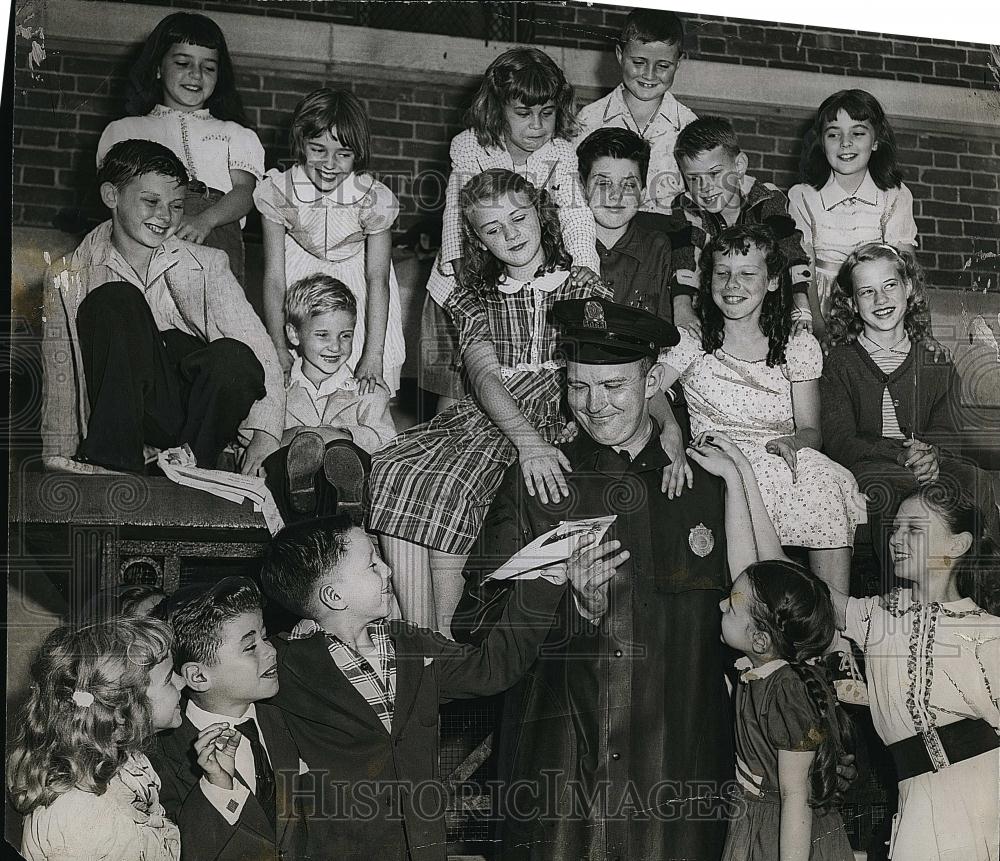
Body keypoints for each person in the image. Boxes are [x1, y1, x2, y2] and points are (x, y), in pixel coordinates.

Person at [453, 297, 734, 861]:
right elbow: (473, 627)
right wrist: (561, 595)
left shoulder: (705, 486)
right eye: (578, 386)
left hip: (675, 791)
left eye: (613, 387)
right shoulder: (534, 487)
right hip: (560, 789)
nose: (593, 405)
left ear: (652, 381)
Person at [257, 515, 614, 861]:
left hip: (423, 846)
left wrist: (546, 579)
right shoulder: (284, 666)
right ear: (334, 596)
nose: (388, 570)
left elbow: (492, 670)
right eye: (372, 564)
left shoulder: (413, 645)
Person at [367, 169, 612, 633]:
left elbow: (599, 366)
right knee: (392, 466)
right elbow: (481, 375)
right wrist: (527, 442)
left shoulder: (579, 285)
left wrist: (536, 441)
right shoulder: (475, 296)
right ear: (478, 241)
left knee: (452, 485)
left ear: (542, 214)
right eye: (493, 229)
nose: (510, 235)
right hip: (488, 410)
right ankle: (420, 638)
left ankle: (435, 636)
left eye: (519, 219)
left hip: (546, 408)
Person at [41, 139, 284, 476]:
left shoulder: (207, 263)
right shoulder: (68, 274)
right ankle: (113, 462)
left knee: (236, 357)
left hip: (190, 418)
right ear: (111, 196)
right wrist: (58, 453)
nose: (165, 216)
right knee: (118, 299)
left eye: (177, 205)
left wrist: (265, 434)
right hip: (120, 416)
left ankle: (193, 467)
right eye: (151, 201)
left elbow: (262, 354)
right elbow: (61, 368)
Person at [656, 224, 864, 606]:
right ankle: (750, 615)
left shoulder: (794, 344)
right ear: (709, 280)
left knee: (825, 478)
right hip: (719, 451)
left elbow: (811, 429)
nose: (733, 284)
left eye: (748, 274)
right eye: (723, 273)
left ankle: (835, 620)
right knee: (737, 479)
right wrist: (670, 427)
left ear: (771, 282)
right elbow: (650, 390)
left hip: (778, 449)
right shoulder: (694, 340)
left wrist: (795, 441)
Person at [687, 433, 856, 861]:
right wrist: (736, 474)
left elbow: (795, 799)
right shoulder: (766, 661)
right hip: (757, 821)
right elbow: (750, 570)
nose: (723, 602)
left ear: (761, 637)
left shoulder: (786, 688)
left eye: (732, 603)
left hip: (787, 835)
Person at [422, 46, 600, 410]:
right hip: (463, 275)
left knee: (512, 372)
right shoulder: (470, 146)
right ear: (497, 109)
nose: (537, 126)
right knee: (455, 382)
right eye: (523, 114)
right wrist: (460, 269)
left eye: (546, 113)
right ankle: (443, 444)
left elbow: (575, 212)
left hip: (519, 281)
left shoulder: (560, 154)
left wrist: (584, 259)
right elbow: (456, 215)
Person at [837, 485, 1000, 861]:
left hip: (981, 806)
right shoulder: (879, 619)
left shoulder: (989, 632)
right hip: (915, 804)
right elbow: (786, 584)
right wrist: (741, 476)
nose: (896, 538)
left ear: (958, 546)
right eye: (895, 528)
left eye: (914, 528)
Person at [821, 242, 999, 566]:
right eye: (867, 292)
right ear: (852, 302)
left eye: (890, 285)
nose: (881, 299)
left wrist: (933, 454)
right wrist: (900, 455)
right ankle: (900, 597)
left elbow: (948, 430)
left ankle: (984, 592)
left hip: (930, 461)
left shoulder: (935, 359)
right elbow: (839, 440)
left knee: (978, 480)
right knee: (888, 487)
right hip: (872, 465)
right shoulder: (841, 362)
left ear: (908, 287)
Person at [254, 88, 406, 393]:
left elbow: (377, 277)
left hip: (359, 287)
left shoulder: (372, 198)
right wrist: (278, 346)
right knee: (296, 390)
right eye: (318, 149)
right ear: (301, 143)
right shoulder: (278, 192)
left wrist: (373, 355)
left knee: (364, 391)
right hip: (300, 282)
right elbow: (273, 278)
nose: (329, 163)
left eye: (343, 154)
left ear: (357, 155)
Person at [97, 12, 264, 286]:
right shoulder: (125, 130)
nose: (196, 75)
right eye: (183, 62)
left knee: (218, 316)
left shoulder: (235, 134)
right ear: (158, 68)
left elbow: (245, 192)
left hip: (216, 229)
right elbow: (119, 198)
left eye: (208, 67)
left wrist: (205, 220)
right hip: (148, 229)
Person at [150, 577, 308, 861]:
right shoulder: (159, 759)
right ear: (198, 676)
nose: (270, 651)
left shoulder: (291, 720)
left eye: (264, 636)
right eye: (250, 647)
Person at [7, 617, 185, 861]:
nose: (182, 681)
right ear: (123, 712)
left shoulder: (126, 762)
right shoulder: (82, 815)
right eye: (168, 679)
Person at [264, 273, 396, 521]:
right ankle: (302, 489)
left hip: (344, 505)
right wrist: (300, 437)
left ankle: (348, 498)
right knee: (286, 455)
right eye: (323, 335)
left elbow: (388, 445)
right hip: (289, 511)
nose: (336, 346)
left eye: (345, 335)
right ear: (294, 334)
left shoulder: (366, 390)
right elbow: (253, 443)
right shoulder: (277, 388)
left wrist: (342, 436)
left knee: (343, 452)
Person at [788, 90, 917, 338]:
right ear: (822, 142)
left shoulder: (895, 196)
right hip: (820, 305)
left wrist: (915, 330)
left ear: (876, 140)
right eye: (834, 134)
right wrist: (818, 328)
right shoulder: (803, 197)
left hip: (877, 303)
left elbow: (906, 269)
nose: (845, 142)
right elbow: (804, 265)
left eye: (857, 133)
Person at [670, 116, 812, 336]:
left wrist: (801, 304)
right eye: (694, 179)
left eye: (714, 174)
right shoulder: (687, 205)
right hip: (712, 311)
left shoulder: (767, 197)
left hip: (766, 310)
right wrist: (682, 309)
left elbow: (789, 247)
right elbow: (685, 256)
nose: (705, 187)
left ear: (739, 166)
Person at [575, 7, 697, 219]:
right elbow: (573, 190)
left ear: (678, 63)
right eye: (639, 63)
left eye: (663, 65)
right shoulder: (589, 119)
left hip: (665, 242)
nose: (649, 75)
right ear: (620, 55)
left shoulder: (688, 126)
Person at [577, 126, 675, 320]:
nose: (616, 195)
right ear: (583, 188)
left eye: (629, 185)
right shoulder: (563, 246)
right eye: (603, 183)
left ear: (643, 194)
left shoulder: (658, 248)